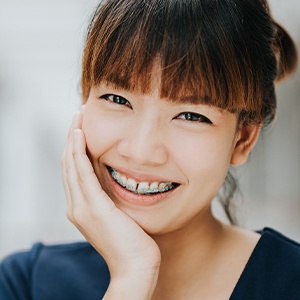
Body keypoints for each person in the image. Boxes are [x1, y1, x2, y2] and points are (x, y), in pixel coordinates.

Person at [0, 0, 299, 299]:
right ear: (85, 98)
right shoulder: (25, 285)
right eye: (117, 99)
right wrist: (132, 274)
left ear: (243, 138)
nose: (141, 152)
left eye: (191, 116)